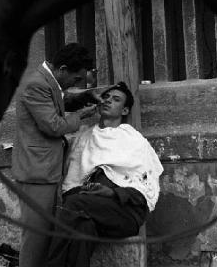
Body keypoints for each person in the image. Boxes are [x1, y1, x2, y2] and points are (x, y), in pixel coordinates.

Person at [46, 82, 164, 267]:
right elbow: (72, 176)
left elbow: (144, 187)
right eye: (106, 97)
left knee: (74, 204)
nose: (108, 101)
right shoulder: (85, 136)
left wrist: (111, 192)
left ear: (124, 111)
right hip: (88, 207)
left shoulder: (133, 140)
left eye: (115, 99)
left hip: (124, 213)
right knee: (83, 228)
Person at [12, 43, 101, 267]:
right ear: (62, 69)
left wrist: (84, 97)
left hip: (47, 169)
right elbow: (52, 125)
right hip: (37, 172)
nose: (77, 83)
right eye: (77, 78)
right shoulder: (36, 84)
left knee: (47, 236)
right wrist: (80, 116)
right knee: (36, 238)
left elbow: (58, 102)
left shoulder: (46, 81)